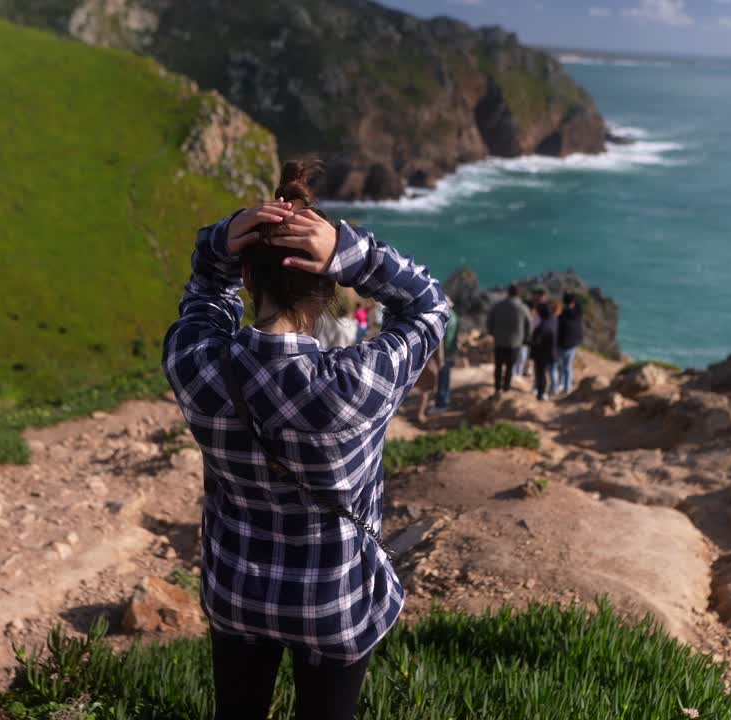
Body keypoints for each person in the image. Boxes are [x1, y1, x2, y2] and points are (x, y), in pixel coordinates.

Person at [163, 159, 447, 720]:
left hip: (236, 589)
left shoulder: (196, 364)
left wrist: (218, 244)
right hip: (334, 601)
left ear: (247, 279)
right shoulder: (357, 384)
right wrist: (354, 251)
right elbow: (428, 305)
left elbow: (203, 297)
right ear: (330, 284)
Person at [486, 284, 532, 394]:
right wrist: (525, 339)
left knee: (498, 366)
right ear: (518, 294)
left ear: (508, 293)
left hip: (499, 341)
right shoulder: (523, 308)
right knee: (510, 367)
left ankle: (497, 387)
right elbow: (528, 326)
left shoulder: (498, 306)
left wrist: (493, 333)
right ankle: (506, 388)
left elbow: (489, 322)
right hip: (515, 343)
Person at [530, 300, 560, 401]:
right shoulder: (554, 320)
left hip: (541, 355)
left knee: (541, 374)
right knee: (551, 372)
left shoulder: (542, 327)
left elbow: (535, 342)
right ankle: (553, 389)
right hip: (552, 352)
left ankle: (541, 394)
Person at [556, 292, 585, 395]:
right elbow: (579, 305)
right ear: (573, 303)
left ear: (564, 303)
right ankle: (567, 389)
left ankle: (558, 385)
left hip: (561, 345)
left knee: (559, 366)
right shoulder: (578, 313)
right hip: (572, 345)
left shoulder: (562, 316)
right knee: (568, 367)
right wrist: (573, 299)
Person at [434, 299, 460, 412]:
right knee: (445, 378)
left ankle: (441, 404)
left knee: (442, 378)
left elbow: (440, 340)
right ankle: (443, 401)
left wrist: (440, 357)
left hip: (444, 353)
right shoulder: (455, 317)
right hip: (451, 351)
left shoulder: (445, 318)